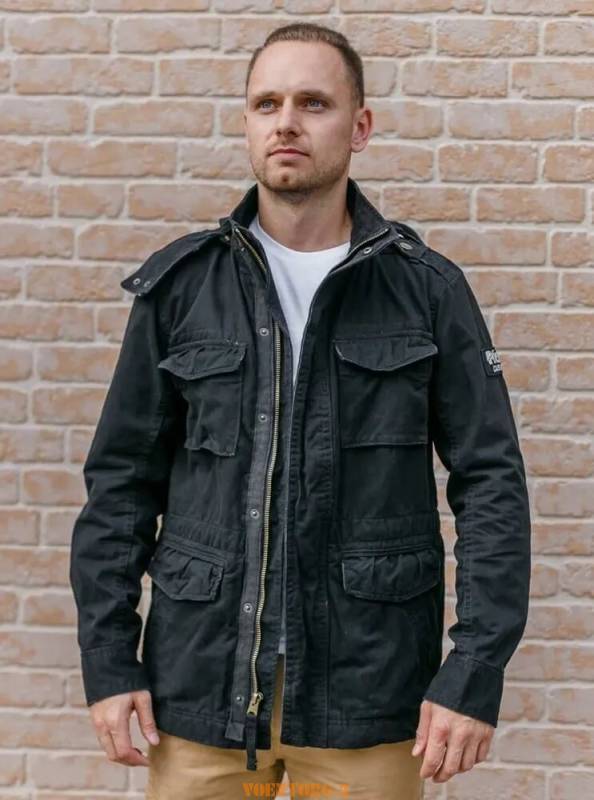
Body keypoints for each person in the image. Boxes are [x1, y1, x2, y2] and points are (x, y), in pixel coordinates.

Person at [69, 21, 532, 800]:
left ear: (360, 127)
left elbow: (491, 486)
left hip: (370, 698)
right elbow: (120, 485)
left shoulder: (427, 292)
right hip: (200, 692)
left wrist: (475, 669)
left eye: (313, 103)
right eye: (267, 103)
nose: (286, 122)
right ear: (247, 123)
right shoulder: (182, 290)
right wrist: (109, 659)